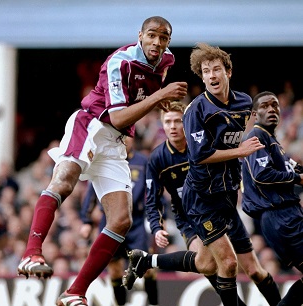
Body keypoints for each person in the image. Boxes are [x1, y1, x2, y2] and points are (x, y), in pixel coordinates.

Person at [16, 16, 187, 306]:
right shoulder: (119, 62)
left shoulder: (166, 61)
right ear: (140, 36)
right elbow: (118, 115)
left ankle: (74, 292)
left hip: (117, 141)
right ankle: (31, 252)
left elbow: (140, 103)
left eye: (164, 37)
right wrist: (160, 95)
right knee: (64, 181)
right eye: (152, 36)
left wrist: (163, 101)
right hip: (92, 125)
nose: (158, 43)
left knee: (121, 221)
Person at [123, 43, 282, 306]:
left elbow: (244, 137)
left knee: (211, 264)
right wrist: (240, 151)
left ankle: (145, 260)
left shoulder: (243, 102)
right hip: (201, 199)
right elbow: (200, 156)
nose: (211, 76)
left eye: (216, 69)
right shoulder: (196, 110)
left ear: (228, 72)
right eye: (205, 71)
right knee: (228, 264)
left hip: (228, 196)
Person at [241, 91, 303, 306]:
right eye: (265, 106)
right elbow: (262, 176)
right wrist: (298, 178)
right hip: (280, 217)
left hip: (285, 216)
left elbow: (293, 167)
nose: (271, 110)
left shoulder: (272, 141)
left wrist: (298, 172)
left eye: (275, 106)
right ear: (254, 113)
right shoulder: (256, 138)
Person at [80, 137, 159, 306]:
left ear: (133, 138)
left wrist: (160, 216)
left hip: (135, 222)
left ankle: (154, 303)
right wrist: (86, 220)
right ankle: (120, 304)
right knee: (114, 269)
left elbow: (154, 188)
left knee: (147, 266)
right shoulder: (104, 160)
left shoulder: (143, 161)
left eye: (127, 137)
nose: (124, 141)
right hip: (110, 222)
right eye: (120, 137)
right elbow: (92, 189)